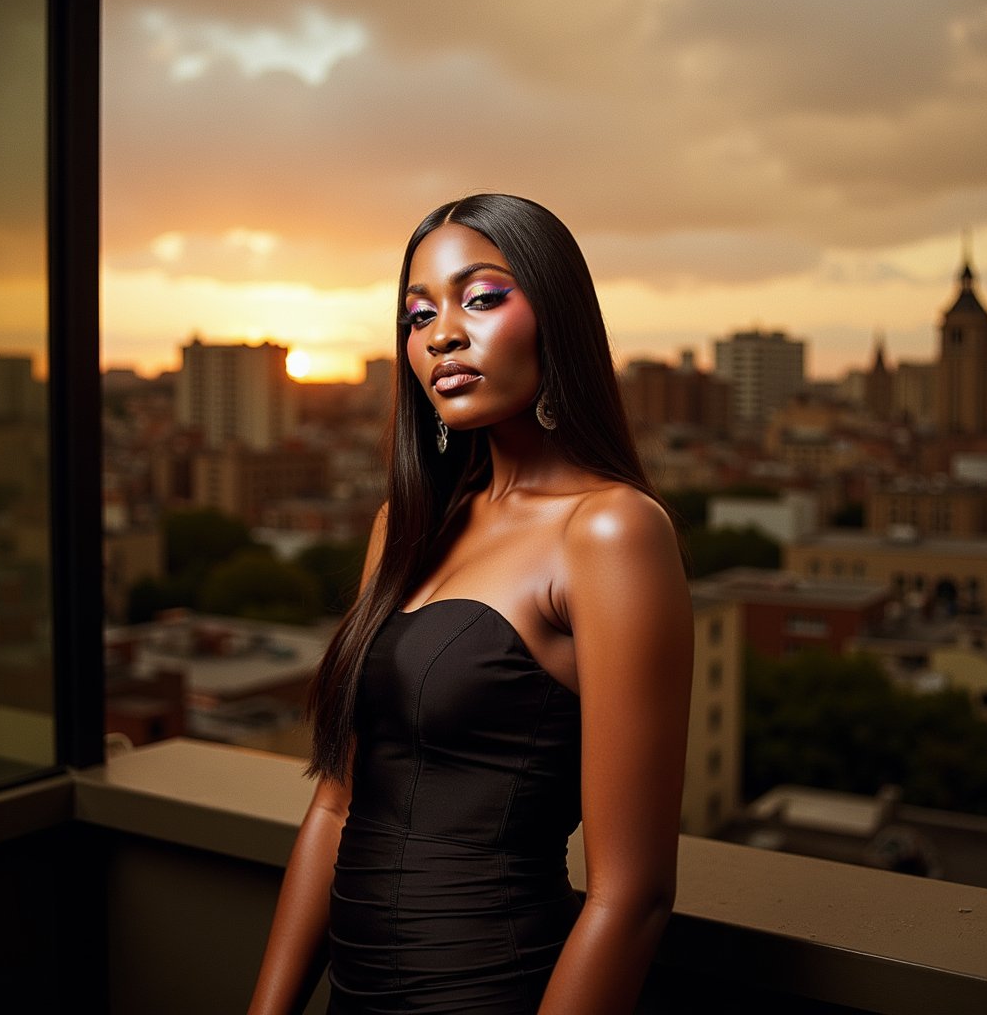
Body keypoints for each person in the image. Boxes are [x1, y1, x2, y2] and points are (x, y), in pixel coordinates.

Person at [247, 194, 693, 1015]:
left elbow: (631, 896)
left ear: (557, 317)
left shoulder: (610, 532)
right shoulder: (404, 527)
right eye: (419, 315)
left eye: (481, 298)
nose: (442, 334)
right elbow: (335, 805)